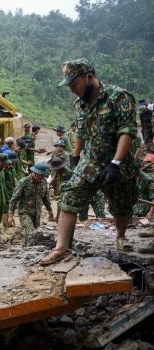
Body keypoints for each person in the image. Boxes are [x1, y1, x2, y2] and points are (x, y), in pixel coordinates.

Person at [40, 58, 140, 265]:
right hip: (92, 161)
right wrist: (76, 156)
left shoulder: (119, 97)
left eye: (74, 84)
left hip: (120, 161)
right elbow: (80, 131)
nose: (72, 90)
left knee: (122, 206)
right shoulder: (80, 104)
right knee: (70, 195)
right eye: (69, 86)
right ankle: (61, 248)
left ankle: (121, 236)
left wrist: (116, 163)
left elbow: (127, 132)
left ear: (90, 77)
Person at [8, 163, 54, 246]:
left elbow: (46, 199)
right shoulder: (23, 182)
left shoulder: (43, 182)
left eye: (45, 176)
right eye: (42, 175)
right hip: (25, 212)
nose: (43, 178)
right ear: (35, 173)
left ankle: (25, 248)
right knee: (31, 233)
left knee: (35, 234)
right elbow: (14, 199)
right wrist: (10, 215)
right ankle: (29, 250)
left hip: (37, 213)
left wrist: (50, 211)